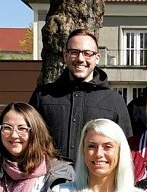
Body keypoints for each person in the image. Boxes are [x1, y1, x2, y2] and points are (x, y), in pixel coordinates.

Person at [30, 29, 132, 161]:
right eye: (74, 52)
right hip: (51, 178)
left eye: (87, 53)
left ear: (97, 58)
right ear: (65, 55)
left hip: (95, 179)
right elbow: (29, 139)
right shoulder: (43, 95)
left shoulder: (114, 101)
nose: (80, 59)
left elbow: (125, 148)